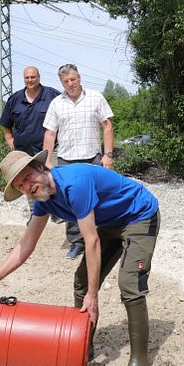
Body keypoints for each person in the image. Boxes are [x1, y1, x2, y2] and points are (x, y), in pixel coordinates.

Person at [0, 149, 160, 366]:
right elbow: (26, 245)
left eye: (27, 176)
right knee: (82, 282)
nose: (27, 185)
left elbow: (91, 240)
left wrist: (93, 297)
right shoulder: (43, 202)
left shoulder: (75, 185)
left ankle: (139, 361)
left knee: (129, 283)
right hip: (107, 221)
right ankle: (83, 346)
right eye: (21, 184)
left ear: (41, 168)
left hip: (138, 215)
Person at [43, 64, 116, 260]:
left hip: (92, 157)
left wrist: (108, 155)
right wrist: (47, 160)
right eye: (66, 81)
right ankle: (76, 242)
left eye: (73, 79)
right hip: (66, 159)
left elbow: (107, 126)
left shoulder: (95, 97)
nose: (70, 84)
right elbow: (50, 133)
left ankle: (100, 237)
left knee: (97, 198)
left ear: (79, 78)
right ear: (61, 83)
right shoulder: (56, 103)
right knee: (69, 202)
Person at [0, 66, 60, 156]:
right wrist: (11, 143)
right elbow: (5, 124)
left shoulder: (53, 96)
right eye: (27, 77)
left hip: (49, 153)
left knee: (50, 170)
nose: (30, 80)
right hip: (21, 154)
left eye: (33, 77)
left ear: (39, 77)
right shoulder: (15, 99)